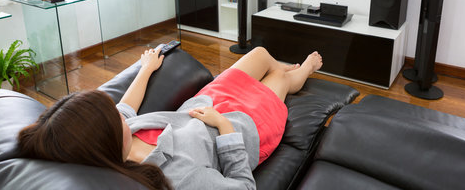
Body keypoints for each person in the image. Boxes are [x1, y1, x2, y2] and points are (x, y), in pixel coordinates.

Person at [17, 46, 323, 190]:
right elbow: (244, 187)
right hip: (242, 125)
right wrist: (225, 127)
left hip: (206, 101)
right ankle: (300, 72)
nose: (119, 117)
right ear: (103, 143)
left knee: (259, 53)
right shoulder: (177, 177)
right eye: (114, 121)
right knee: (283, 82)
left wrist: (146, 68)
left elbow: (125, 106)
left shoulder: (119, 138)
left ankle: (280, 67)